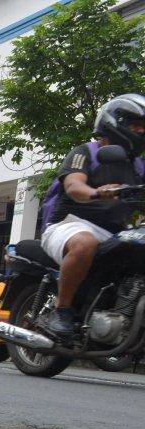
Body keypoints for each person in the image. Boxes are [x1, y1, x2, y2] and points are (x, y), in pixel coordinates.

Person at [39, 94, 145, 341]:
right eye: (135, 124)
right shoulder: (86, 152)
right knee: (85, 243)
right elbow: (75, 187)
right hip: (69, 224)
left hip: (113, 233)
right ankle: (62, 311)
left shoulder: (139, 167)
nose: (141, 130)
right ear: (114, 122)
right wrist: (98, 192)